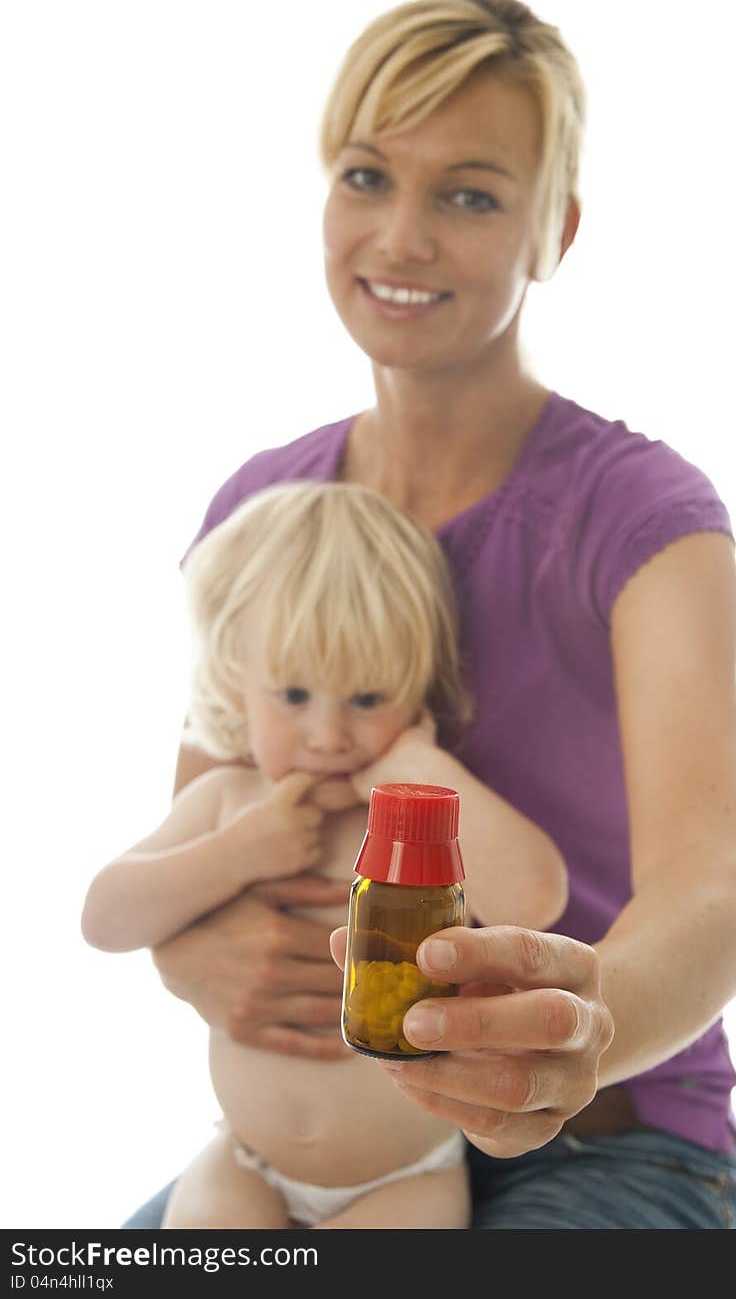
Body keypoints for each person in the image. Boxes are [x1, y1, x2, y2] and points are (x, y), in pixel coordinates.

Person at [122, 0, 736, 1230]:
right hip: (317, 1155)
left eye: (469, 195)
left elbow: (717, 885)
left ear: (552, 234)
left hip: (605, 1148)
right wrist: (184, 952)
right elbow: (204, 826)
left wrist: (573, 1034)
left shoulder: (644, 519)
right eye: (367, 177)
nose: (401, 239)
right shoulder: (258, 509)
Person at [82, 480, 568, 1228]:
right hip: (245, 1164)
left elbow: (538, 896)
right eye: (294, 695)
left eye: (369, 699)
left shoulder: (420, 828)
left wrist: (421, 770)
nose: (329, 734)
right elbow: (106, 918)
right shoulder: (231, 803)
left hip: (405, 1181)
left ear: (419, 692)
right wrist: (233, 855)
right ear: (237, 682)